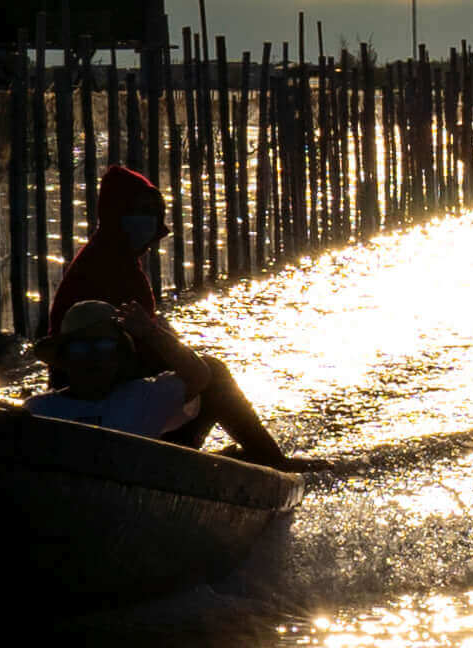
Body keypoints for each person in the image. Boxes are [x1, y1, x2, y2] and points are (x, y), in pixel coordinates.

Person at [36, 161, 288, 462]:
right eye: (135, 211)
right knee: (213, 375)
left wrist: (167, 344)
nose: (145, 220)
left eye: (150, 213)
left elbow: (143, 332)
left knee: (196, 374)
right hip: (92, 379)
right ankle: (268, 460)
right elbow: (124, 346)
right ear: (116, 214)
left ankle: (190, 453)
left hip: (110, 373)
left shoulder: (120, 260)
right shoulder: (106, 263)